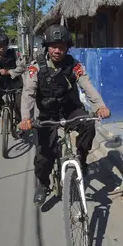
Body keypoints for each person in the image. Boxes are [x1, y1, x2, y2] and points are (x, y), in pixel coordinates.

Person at [18, 24, 111, 205]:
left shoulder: (74, 66)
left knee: (88, 124)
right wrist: (25, 118)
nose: (57, 50)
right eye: (53, 46)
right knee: (44, 157)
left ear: (67, 48)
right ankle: (43, 184)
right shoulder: (35, 67)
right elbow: (28, 93)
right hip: (47, 115)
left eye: (61, 47)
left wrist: (100, 106)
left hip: (70, 110)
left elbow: (87, 86)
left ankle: (82, 158)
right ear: (47, 47)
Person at [0, 30, 26, 117]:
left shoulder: (15, 54)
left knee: (19, 105)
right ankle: (1, 106)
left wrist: (9, 72)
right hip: (0, 83)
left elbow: (22, 67)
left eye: (4, 45)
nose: (2, 48)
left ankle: (20, 122)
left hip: (15, 82)